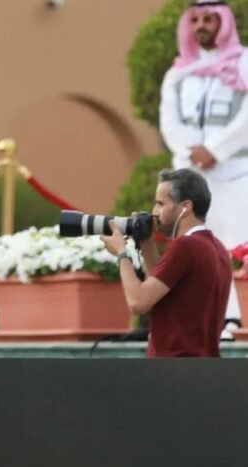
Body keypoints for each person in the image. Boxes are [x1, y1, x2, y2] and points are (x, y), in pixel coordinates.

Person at [159, 0, 248, 339]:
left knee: (236, 247)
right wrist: (190, 152)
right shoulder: (179, 71)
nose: (201, 26)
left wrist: (216, 150)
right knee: (195, 249)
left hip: (236, 173)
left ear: (223, 23)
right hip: (191, 176)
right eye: (196, 19)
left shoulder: (244, 62)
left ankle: (234, 321)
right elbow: (169, 120)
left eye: (209, 19)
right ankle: (200, 319)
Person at [100, 168, 232, 357]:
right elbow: (159, 296)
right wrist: (147, 243)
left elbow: (138, 302)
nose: (154, 212)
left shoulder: (185, 246)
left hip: (173, 370)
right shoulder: (215, 247)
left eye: (161, 204)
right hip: (203, 369)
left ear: (185, 207)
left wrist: (122, 253)